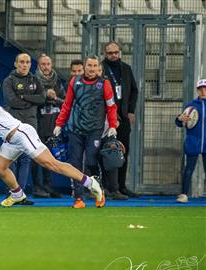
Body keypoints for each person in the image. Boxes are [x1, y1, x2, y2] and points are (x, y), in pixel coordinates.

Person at [0, 93, 105, 208]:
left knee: (51, 164)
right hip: (10, 139)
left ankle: (90, 182)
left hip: (22, 133)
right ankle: (17, 194)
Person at [54, 55, 118, 209]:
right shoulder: (74, 82)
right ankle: (78, 198)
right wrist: (59, 124)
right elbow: (67, 105)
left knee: (91, 161)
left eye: (94, 66)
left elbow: (111, 107)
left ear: (98, 68)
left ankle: (99, 193)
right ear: (84, 67)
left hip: (95, 131)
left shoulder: (105, 84)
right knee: (74, 164)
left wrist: (112, 125)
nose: (91, 69)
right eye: (89, 65)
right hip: (75, 130)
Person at [3, 53, 46, 203]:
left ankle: (20, 195)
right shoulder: (9, 80)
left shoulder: (36, 80)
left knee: (25, 159)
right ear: (15, 64)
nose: (24, 65)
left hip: (31, 124)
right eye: (21, 62)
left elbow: (42, 98)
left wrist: (24, 97)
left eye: (27, 62)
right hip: (13, 124)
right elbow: (12, 101)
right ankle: (13, 192)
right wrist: (30, 101)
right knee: (11, 160)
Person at [102, 41, 139, 198]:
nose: (113, 55)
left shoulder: (126, 69)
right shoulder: (101, 69)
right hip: (106, 119)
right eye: (110, 53)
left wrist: (130, 111)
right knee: (107, 153)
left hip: (123, 119)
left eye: (116, 52)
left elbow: (134, 91)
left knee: (123, 152)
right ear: (105, 54)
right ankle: (108, 187)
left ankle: (121, 186)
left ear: (120, 53)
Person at [31, 54, 66, 198]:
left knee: (51, 157)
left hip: (53, 124)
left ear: (51, 65)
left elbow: (64, 102)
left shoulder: (57, 81)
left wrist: (54, 98)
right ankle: (37, 187)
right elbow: (32, 100)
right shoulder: (33, 81)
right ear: (38, 66)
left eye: (48, 64)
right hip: (38, 123)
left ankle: (48, 186)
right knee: (36, 157)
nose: (46, 67)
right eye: (43, 64)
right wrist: (45, 95)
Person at [175, 79, 206, 203]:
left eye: (205, 88)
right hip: (193, 142)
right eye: (201, 88)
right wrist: (179, 118)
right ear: (197, 90)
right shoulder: (191, 105)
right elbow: (179, 122)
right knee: (189, 169)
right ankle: (184, 194)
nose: (203, 91)